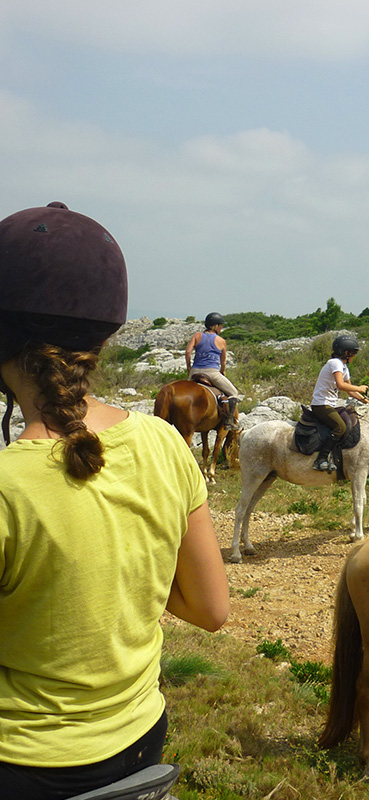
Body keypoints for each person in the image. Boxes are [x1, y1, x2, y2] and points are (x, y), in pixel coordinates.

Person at [0, 202, 230, 800]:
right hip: (139, 742)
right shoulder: (163, 443)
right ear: (106, 335)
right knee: (226, 402)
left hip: (22, 763)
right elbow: (211, 609)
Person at [310, 334, 369, 472]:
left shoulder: (344, 367)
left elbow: (350, 392)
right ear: (346, 353)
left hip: (331, 404)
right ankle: (321, 458)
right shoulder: (335, 363)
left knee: (349, 421)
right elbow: (341, 385)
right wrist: (359, 388)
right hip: (321, 404)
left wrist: (366, 401)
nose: (354, 357)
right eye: (353, 353)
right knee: (340, 427)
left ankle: (336, 456)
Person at [185, 312, 241, 429]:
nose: (221, 328)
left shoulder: (197, 336)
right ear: (216, 326)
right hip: (211, 372)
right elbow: (223, 362)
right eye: (220, 325)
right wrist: (223, 372)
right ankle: (229, 421)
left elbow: (188, 352)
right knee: (234, 393)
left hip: (195, 371)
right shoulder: (221, 341)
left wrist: (189, 368)